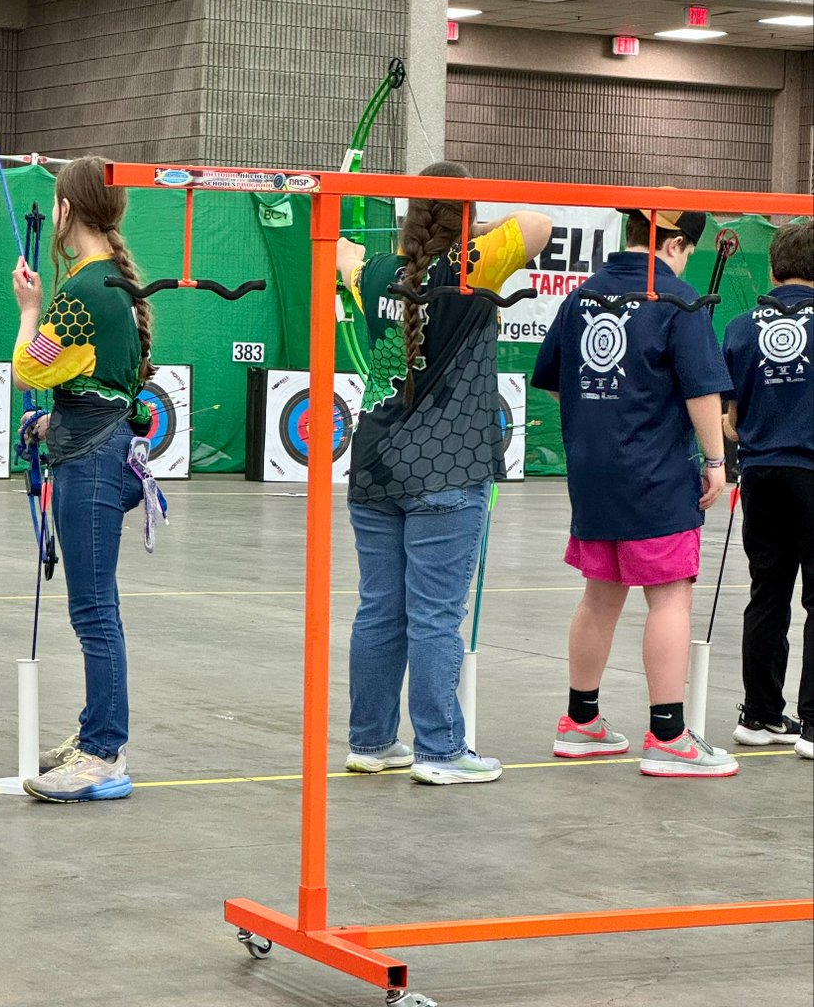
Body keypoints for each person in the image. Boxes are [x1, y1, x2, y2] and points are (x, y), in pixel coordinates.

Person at [336, 161, 552, 785]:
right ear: (466, 218)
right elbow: (538, 223)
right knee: (433, 616)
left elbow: (338, 251)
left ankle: (372, 741)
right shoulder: (475, 264)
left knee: (380, 609)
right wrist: (473, 227)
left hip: (375, 467)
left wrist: (407, 237)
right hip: (447, 468)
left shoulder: (376, 272)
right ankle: (439, 751)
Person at [532, 205, 739, 777]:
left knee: (600, 593)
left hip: (593, 473)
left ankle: (581, 723)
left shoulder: (581, 298)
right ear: (675, 244)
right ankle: (669, 736)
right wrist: (716, 461)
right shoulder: (676, 301)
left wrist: (604, 421)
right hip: (655, 472)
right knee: (670, 594)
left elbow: (554, 382)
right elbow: (703, 394)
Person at [10, 155, 153, 802]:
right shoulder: (113, 286)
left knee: (94, 610)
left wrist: (28, 308)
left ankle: (103, 754)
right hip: (98, 447)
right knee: (97, 606)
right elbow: (94, 379)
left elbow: (28, 368)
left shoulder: (82, 292)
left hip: (91, 462)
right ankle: (98, 732)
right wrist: (52, 426)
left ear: (65, 210)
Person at [722, 219, 814, 760]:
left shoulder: (740, 327)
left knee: (768, 593)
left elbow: (729, 415)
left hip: (759, 475)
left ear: (774, 267)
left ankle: (758, 714)